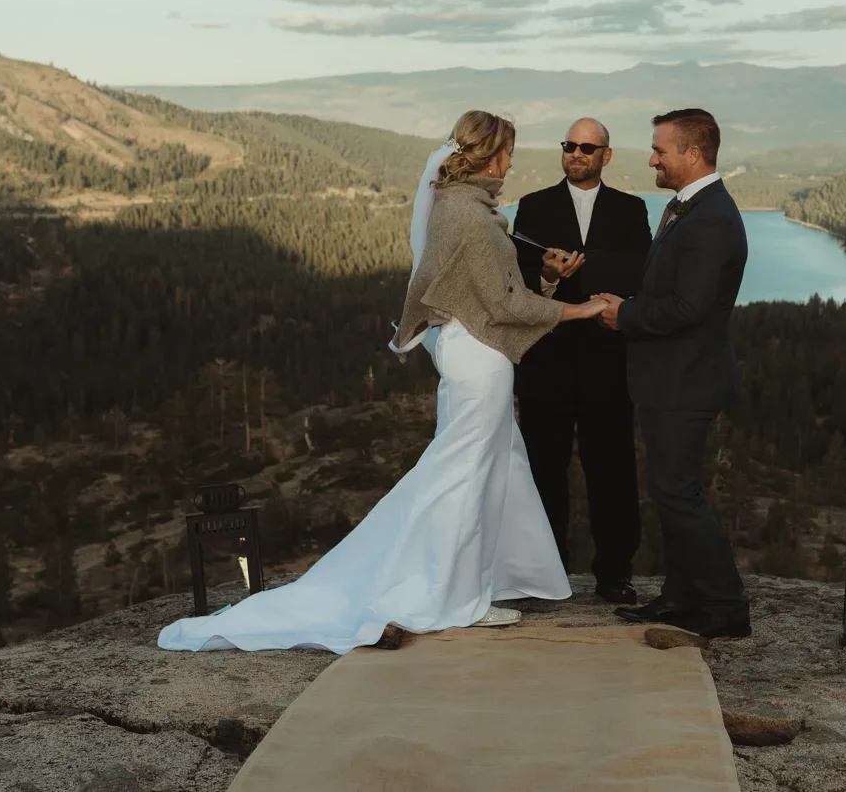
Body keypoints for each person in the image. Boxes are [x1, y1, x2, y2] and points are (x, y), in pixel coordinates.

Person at [156, 110, 608, 654]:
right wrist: (579, 310)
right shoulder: (470, 216)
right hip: (481, 359)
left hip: (471, 353)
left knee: (489, 468)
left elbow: (482, 283)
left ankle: (488, 578)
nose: (512, 161)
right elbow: (501, 302)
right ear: (489, 156)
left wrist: (544, 279)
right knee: (463, 476)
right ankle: (451, 595)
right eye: (508, 151)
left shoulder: (459, 205)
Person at [596, 108, 752, 639]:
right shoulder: (689, 207)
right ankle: (683, 596)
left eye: (661, 150)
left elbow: (690, 308)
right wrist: (631, 302)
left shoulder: (711, 218)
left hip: (686, 380)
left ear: (692, 153)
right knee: (669, 490)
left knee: (678, 492)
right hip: (671, 377)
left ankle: (726, 605)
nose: (653, 158)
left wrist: (624, 315)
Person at [513, 117, 652, 604]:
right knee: (542, 469)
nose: (576, 154)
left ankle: (614, 574)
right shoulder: (532, 207)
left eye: (587, 148)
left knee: (612, 470)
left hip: (607, 362)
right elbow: (515, 287)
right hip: (545, 362)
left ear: (606, 156)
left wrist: (611, 299)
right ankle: (544, 575)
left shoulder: (632, 210)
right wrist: (549, 277)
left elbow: (643, 276)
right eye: (569, 145)